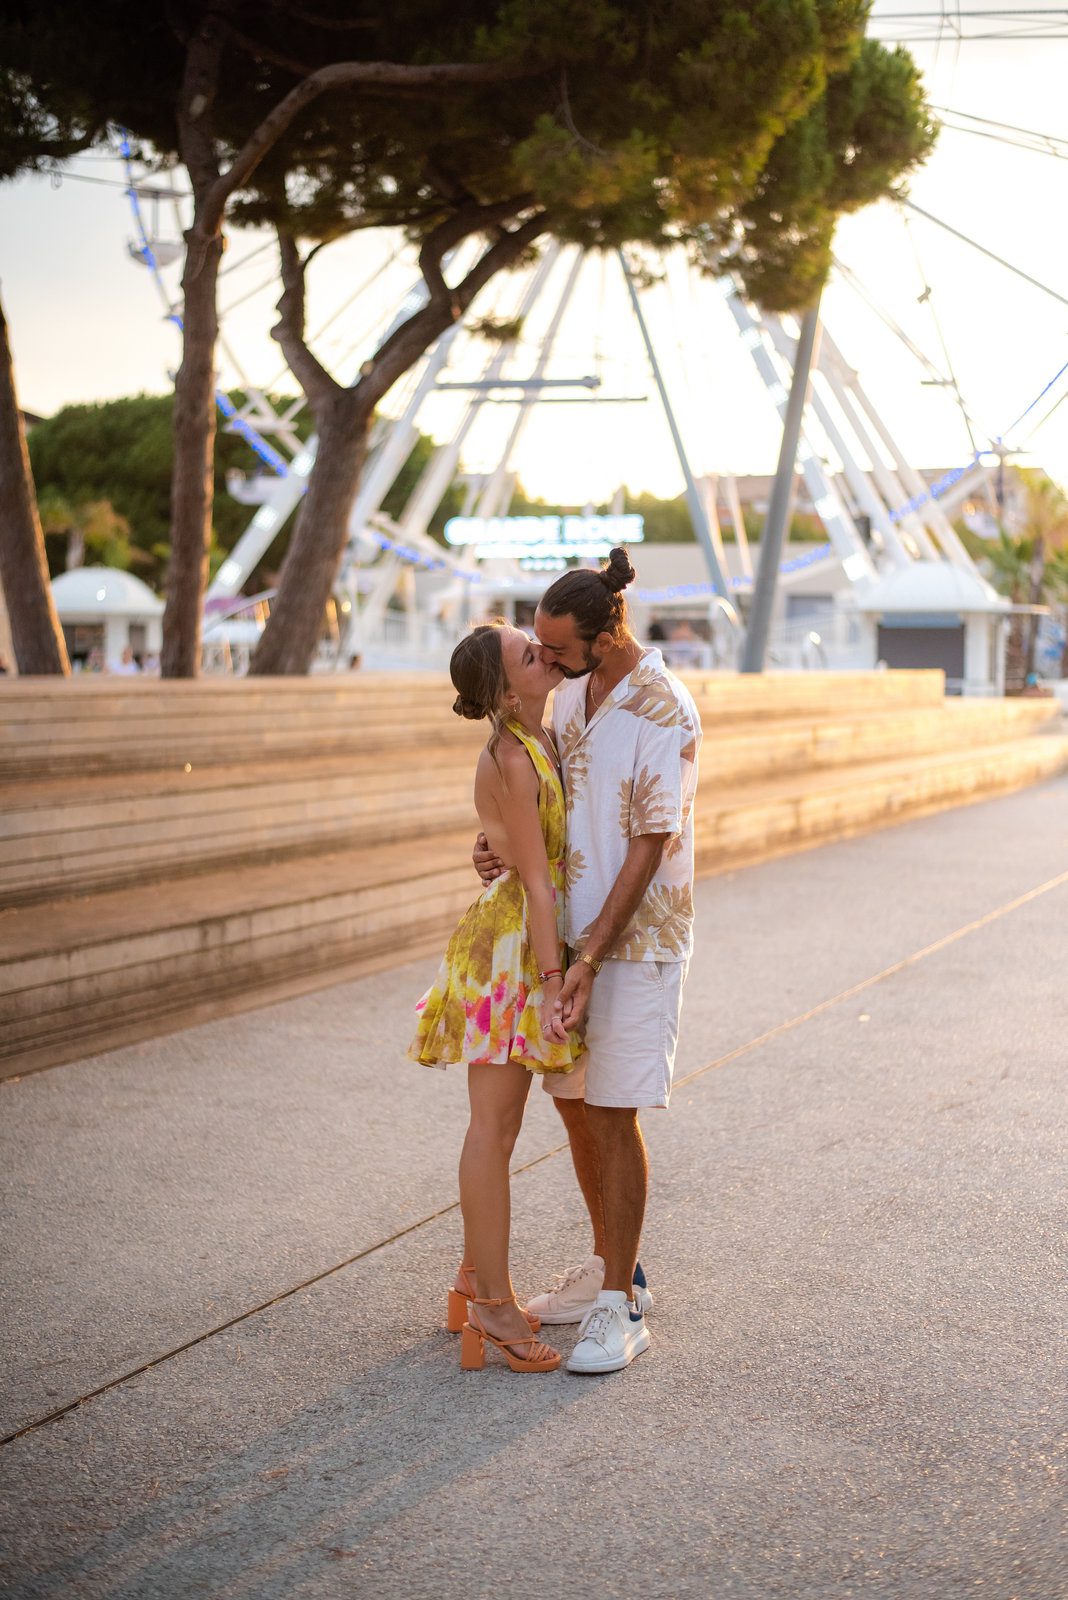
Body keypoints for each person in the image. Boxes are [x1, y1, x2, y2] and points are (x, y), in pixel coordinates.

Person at [475, 547, 702, 1373]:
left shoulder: (664, 708)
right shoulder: (572, 692)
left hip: (636, 945)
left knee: (612, 1111)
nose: (547, 659)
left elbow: (650, 842)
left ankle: (620, 1310)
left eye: (559, 647)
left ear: (606, 636)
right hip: (566, 940)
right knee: (573, 1104)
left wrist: (593, 955)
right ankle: (616, 1268)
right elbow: (544, 794)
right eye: (539, 645)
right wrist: (498, 843)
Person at [409, 620, 584, 1374]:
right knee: (494, 1128)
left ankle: (470, 1280)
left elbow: (520, 849)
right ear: (508, 692)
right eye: (527, 653)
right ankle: (494, 1308)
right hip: (511, 948)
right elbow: (537, 884)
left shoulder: (541, 736)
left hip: (518, 935)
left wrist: (492, 846)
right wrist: (551, 985)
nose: (542, 652)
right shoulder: (513, 754)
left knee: (500, 1127)